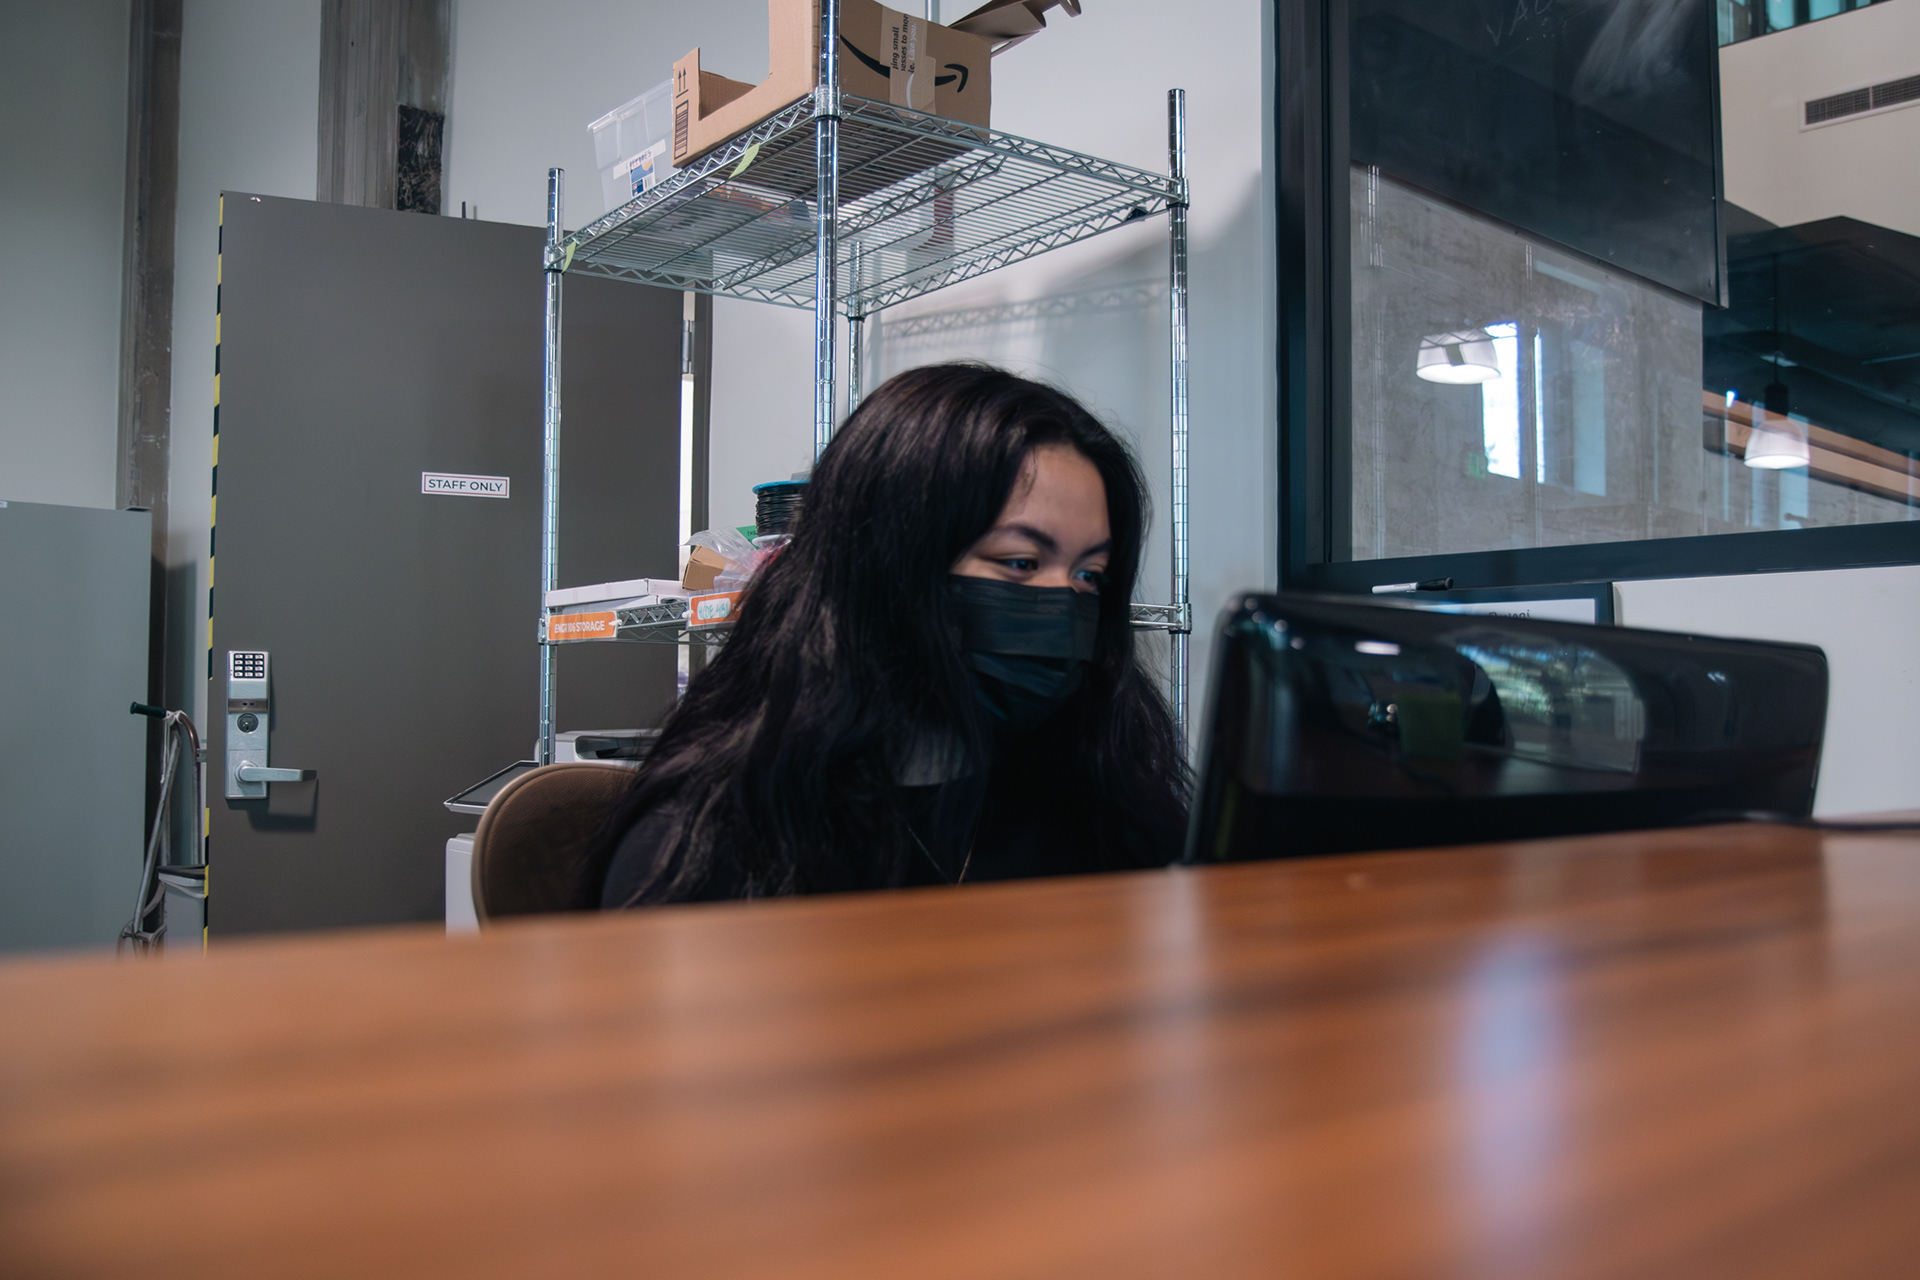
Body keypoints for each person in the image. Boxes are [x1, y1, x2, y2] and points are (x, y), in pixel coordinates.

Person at [598, 363, 1188, 908]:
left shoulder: (1092, 794)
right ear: (885, 563)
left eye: (1090, 575)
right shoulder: (707, 844)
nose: (1063, 605)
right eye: (1020, 562)